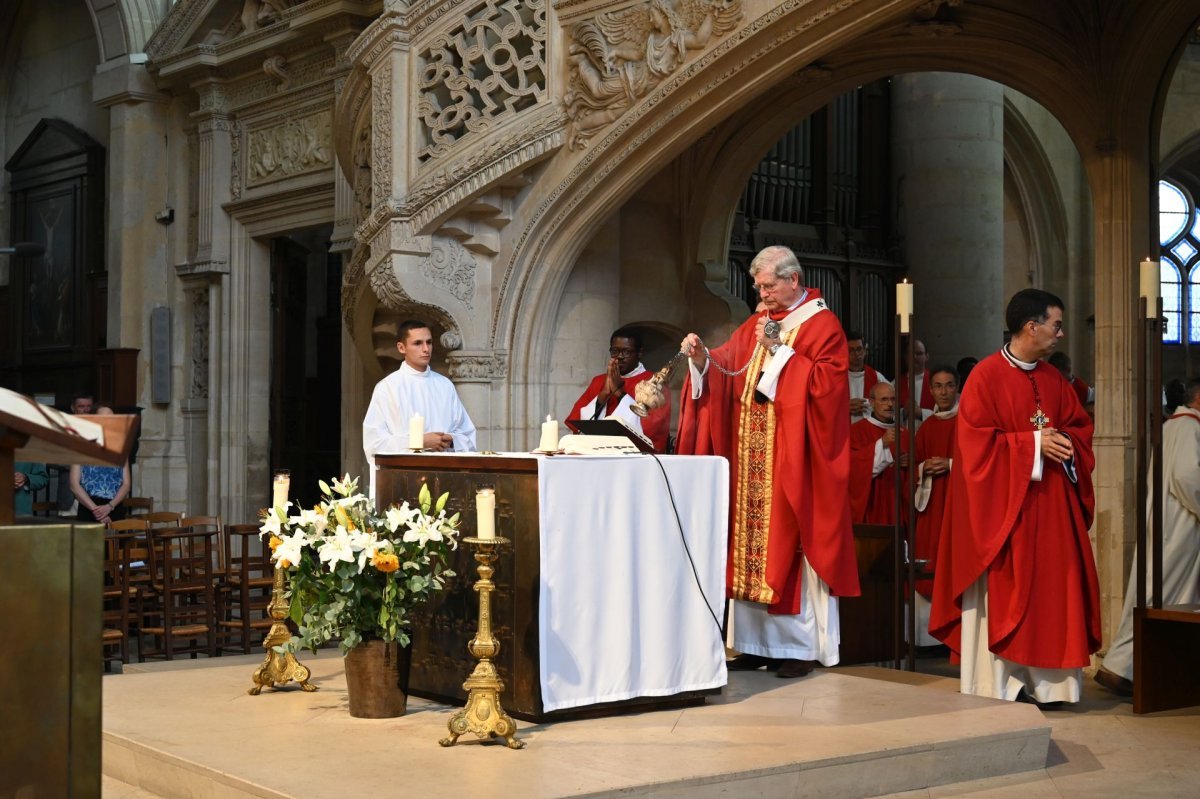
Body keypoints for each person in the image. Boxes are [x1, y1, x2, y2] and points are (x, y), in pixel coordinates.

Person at [677, 245, 860, 679]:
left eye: (769, 285)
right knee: (750, 542)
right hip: (750, 459)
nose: (763, 293)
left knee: (787, 539)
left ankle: (798, 647)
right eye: (758, 286)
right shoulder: (760, 322)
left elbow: (828, 391)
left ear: (793, 280)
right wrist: (702, 358)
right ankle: (754, 643)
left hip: (794, 457)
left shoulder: (822, 325)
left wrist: (780, 353)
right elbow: (730, 364)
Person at [930, 288, 1100, 704]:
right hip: (1005, 516)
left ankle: (1053, 687)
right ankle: (1001, 683)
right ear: (1031, 326)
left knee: (1055, 594)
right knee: (1009, 593)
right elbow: (972, 450)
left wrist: (1065, 444)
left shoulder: (1054, 379)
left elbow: (1079, 430)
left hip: (1054, 509)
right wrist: (1031, 445)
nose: (1060, 334)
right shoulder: (985, 377)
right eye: (1055, 325)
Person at [1095, 377, 1200, 696]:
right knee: (1164, 600)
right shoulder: (1188, 428)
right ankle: (1122, 667)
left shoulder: (1174, 426)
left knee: (1161, 597)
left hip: (1170, 527)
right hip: (1180, 528)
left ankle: (1127, 667)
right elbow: (1186, 476)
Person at [363, 320, 477, 487]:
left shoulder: (445, 386)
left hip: (444, 480)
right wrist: (419, 442)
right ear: (402, 348)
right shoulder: (387, 388)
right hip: (404, 481)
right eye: (418, 343)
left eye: (429, 342)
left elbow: (467, 434)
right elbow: (374, 444)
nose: (426, 349)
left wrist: (451, 440)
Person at [911, 365, 960, 646]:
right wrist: (922, 467)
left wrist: (951, 464)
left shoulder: (967, 422)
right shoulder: (927, 427)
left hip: (956, 507)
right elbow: (913, 465)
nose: (943, 392)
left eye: (949, 385)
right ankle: (927, 639)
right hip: (931, 506)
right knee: (928, 560)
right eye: (938, 386)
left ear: (957, 387)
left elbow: (982, 462)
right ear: (929, 391)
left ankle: (953, 636)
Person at [567, 327, 670, 452]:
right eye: (615, 351)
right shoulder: (599, 381)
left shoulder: (654, 383)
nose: (620, 357)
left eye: (626, 352)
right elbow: (577, 423)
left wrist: (619, 393)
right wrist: (602, 397)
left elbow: (653, 428)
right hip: (598, 453)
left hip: (636, 457)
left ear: (639, 353)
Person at [848, 382, 909, 525]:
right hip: (870, 505)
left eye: (893, 399)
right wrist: (883, 443)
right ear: (871, 402)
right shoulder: (856, 431)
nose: (889, 404)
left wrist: (910, 464)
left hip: (897, 505)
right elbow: (852, 470)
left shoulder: (904, 434)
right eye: (884, 399)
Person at [70, 409, 131, 524]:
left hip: (114, 507)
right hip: (89, 507)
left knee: (117, 541)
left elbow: (126, 484)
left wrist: (110, 506)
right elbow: (74, 485)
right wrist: (96, 511)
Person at [847, 331, 890, 423]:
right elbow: (825, 407)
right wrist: (844, 407)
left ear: (865, 351)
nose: (856, 354)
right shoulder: (836, 379)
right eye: (851, 350)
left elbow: (891, 405)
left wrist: (871, 406)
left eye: (859, 349)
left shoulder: (877, 378)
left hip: (869, 433)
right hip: (843, 432)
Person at [898, 339, 934, 413]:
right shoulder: (896, 384)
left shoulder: (936, 382)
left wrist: (921, 413)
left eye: (919, 353)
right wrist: (904, 413)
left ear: (927, 356)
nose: (914, 357)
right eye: (910, 353)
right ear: (905, 357)